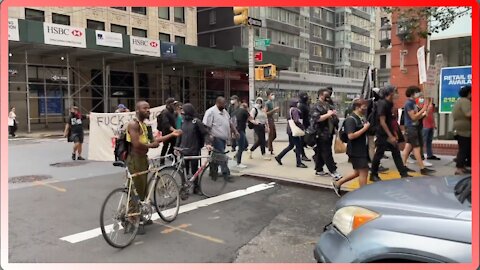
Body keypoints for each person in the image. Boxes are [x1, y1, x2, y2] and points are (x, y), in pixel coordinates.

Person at [126, 101, 181, 232]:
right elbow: (136, 144)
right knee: (135, 191)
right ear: (137, 110)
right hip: (135, 160)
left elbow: (155, 141)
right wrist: (151, 146)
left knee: (143, 191)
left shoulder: (145, 126)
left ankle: (138, 216)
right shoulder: (133, 125)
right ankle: (131, 221)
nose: (148, 110)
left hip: (143, 160)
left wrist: (172, 135)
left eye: (149, 108)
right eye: (145, 108)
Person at [370, 86, 411, 182]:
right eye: (395, 92)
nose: (397, 94)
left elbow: (390, 120)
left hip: (389, 133)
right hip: (383, 134)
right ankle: (373, 174)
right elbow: (382, 121)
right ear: (390, 93)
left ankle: (403, 174)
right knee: (379, 154)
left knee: (396, 153)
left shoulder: (389, 103)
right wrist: (390, 136)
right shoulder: (382, 104)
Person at [331, 99, 370, 196]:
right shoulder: (351, 119)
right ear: (357, 107)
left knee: (357, 172)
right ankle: (363, 194)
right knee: (364, 171)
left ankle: (337, 183)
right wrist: (364, 128)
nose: (366, 108)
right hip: (356, 150)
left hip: (361, 149)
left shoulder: (360, 117)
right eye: (364, 106)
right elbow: (350, 136)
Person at [177, 103, 211, 194]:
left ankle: (196, 187)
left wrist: (207, 143)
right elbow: (180, 135)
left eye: (183, 111)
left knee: (194, 170)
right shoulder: (182, 122)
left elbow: (205, 133)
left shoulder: (196, 122)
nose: (182, 113)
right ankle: (184, 187)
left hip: (194, 149)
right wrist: (177, 146)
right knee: (184, 171)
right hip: (183, 150)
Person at [401, 86, 435, 175]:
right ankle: (422, 168)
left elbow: (417, 117)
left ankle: (403, 166)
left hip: (414, 127)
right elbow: (413, 117)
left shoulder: (413, 103)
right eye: (417, 92)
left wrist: (424, 113)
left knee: (407, 148)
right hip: (411, 128)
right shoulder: (409, 103)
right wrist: (423, 110)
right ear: (412, 93)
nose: (419, 94)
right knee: (416, 148)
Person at [203, 96, 240, 180]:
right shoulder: (210, 112)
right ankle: (226, 173)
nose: (224, 105)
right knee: (222, 156)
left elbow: (230, 123)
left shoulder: (225, 112)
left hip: (223, 139)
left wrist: (235, 131)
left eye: (225, 104)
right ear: (218, 103)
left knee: (215, 157)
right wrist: (209, 138)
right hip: (215, 138)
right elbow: (206, 127)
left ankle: (213, 172)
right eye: (223, 104)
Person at [312, 89, 342, 180]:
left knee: (321, 152)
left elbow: (333, 119)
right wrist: (329, 114)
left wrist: (334, 116)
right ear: (321, 95)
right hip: (321, 133)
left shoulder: (328, 105)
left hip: (329, 132)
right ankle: (333, 171)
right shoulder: (316, 106)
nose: (328, 97)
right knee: (327, 152)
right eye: (326, 95)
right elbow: (317, 119)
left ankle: (319, 169)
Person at [274, 99, 307, 168]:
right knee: (298, 146)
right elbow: (296, 120)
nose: (298, 104)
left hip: (290, 129)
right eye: (297, 103)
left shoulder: (290, 109)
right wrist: (302, 127)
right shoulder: (295, 110)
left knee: (291, 146)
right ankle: (299, 163)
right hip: (294, 130)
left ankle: (279, 156)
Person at [452, 85, 471, 175]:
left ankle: (462, 166)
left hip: (460, 129)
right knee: (464, 149)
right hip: (464, 130)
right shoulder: (465, 101)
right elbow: (468, 114)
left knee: (465, 148)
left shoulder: (459, 101)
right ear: (469, 93)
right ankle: (459, 168)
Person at [235, 103, 256, 168]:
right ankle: (238, 163)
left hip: (236, 130)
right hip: (240, 131)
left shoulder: (236, 110)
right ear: (246, 107)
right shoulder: (244, 111)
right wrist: (257, 123)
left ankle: (236, 155)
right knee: (241, 147)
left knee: (246, 144)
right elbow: (251, 118)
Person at [157, 98, 178, 165]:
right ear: (169, 105)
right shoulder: (165, 112)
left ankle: (175, 160)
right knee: (165, 147)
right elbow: (166, 124)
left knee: (174, 146)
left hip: (173, 133)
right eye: (173, 104)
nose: (175, 105)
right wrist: (174, 130)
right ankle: (162, 162)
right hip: (166, 133)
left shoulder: (173, 112)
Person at [297, 92, 312, 162]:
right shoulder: (301, 105)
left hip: (307, 124)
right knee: (303, 140)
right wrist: (302, 126)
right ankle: (302, 154)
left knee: (304, 141)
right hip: (304, 125)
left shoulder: (306, 104)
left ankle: (299, 151)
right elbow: (301, 116)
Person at [265, 91, 280, 155]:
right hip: (269, 119)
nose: (273, 96)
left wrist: (275, 111)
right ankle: (270, 149)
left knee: (274, 135)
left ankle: (267, 143)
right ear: (268, 96)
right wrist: (274, 110)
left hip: (271, 119)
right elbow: (265, 113)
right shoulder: (267, 103)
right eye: (271, 95)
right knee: (271, 134)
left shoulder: (271, 102)